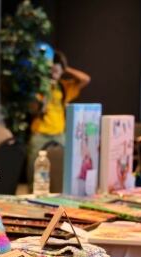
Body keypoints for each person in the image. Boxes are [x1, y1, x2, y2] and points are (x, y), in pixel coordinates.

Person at [27, 51, 90, 184]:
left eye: (57, 69)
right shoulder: (40, 86)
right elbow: (32, 107)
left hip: (59, 134)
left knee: (62, 168)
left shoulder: (63, 86)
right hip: (40, 133)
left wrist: (64, 67)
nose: (54, 71)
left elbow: (85, 79)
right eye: (52, 68)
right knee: (33, 170)